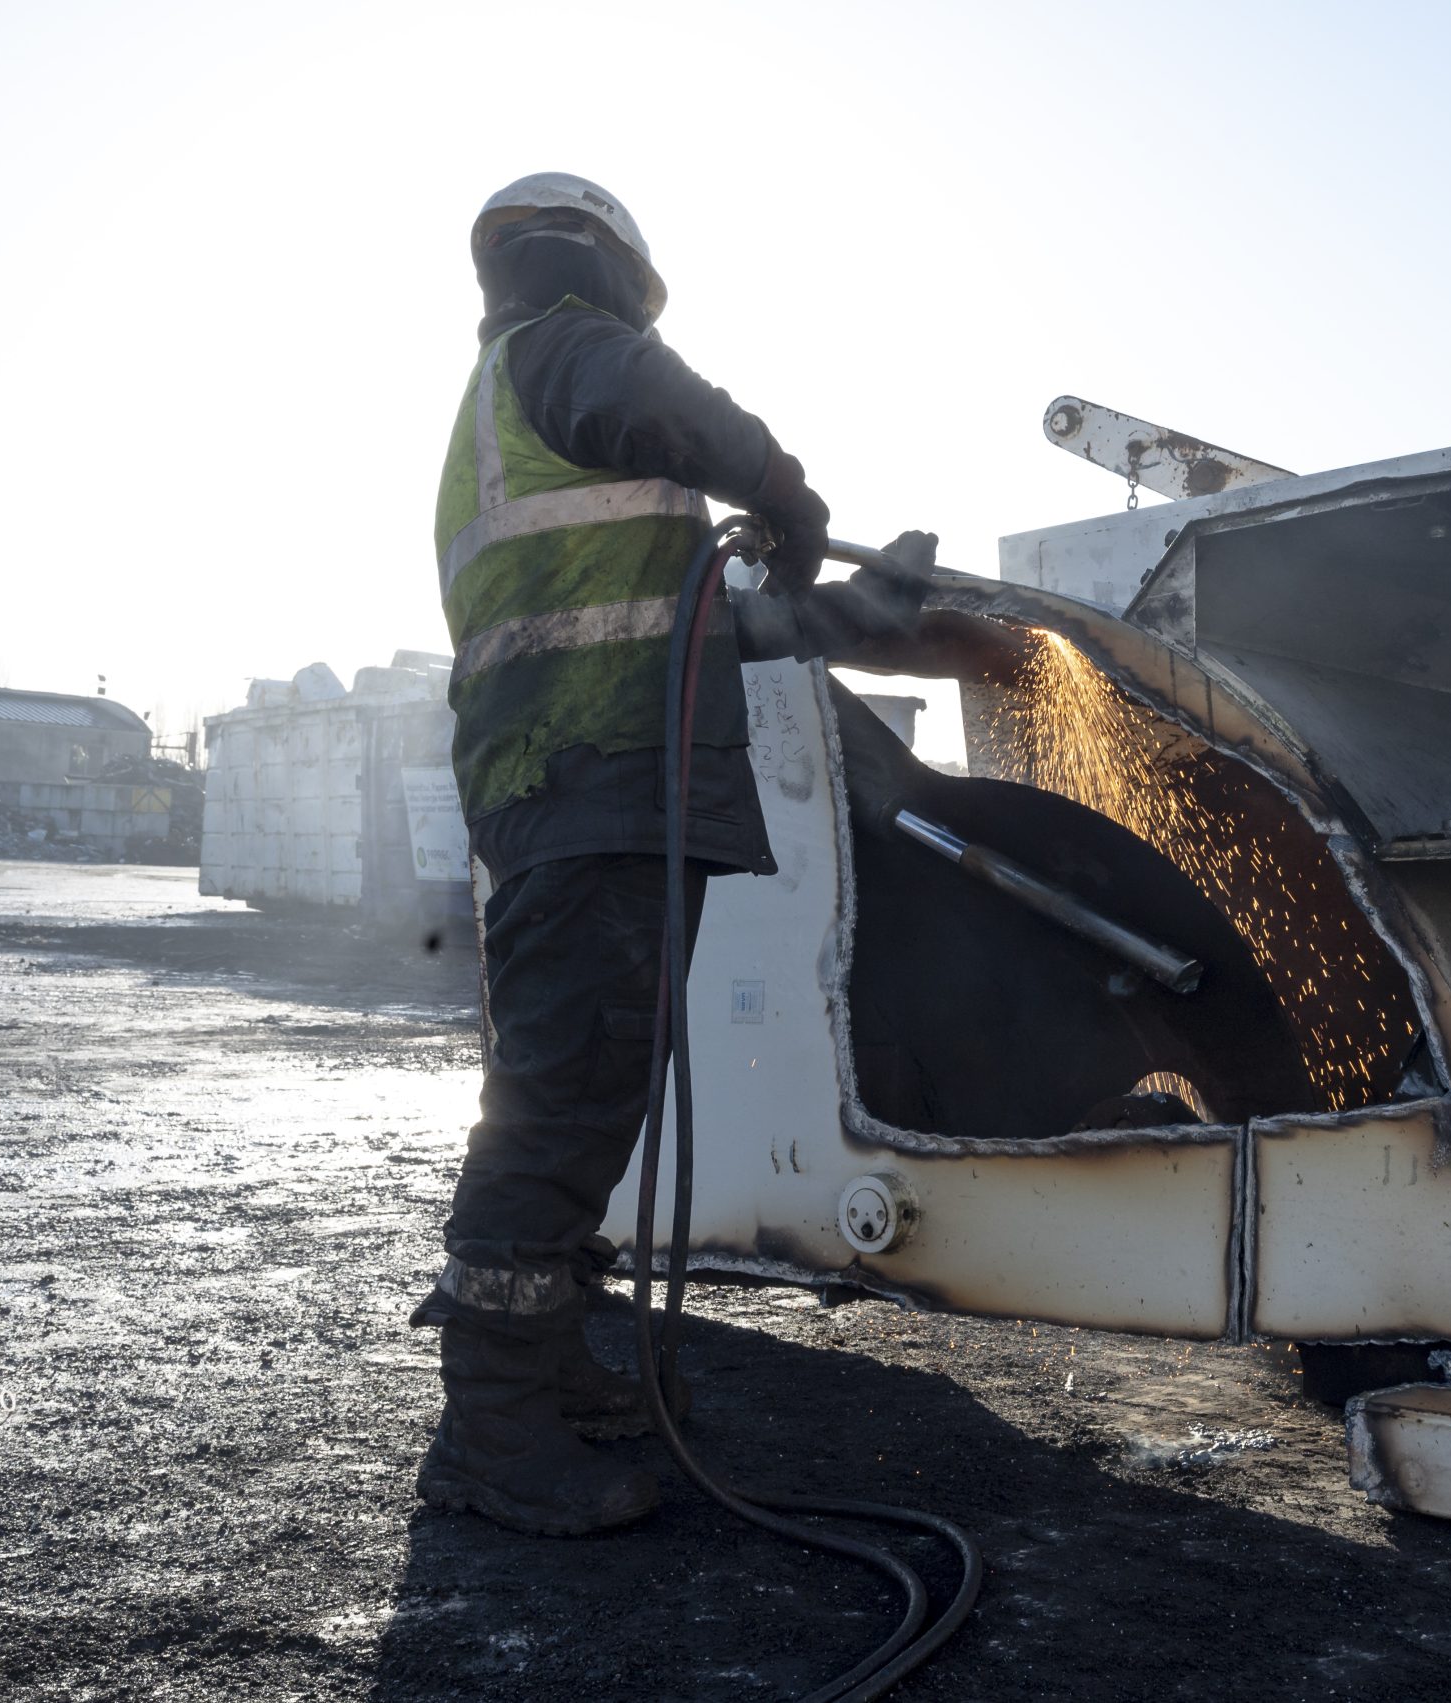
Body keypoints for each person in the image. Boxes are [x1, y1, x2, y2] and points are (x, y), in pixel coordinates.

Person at [417, 172, 934, 1535]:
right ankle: (493, 1429)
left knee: (591, 1092)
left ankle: (555, 1367)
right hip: (588, 784)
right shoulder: (565, 354)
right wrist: (789, 493)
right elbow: (685, 411)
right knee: (565, 1099)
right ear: (608, 271)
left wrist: (845, 608)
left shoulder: (553, 434)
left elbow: (704, 631)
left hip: (585, 790)